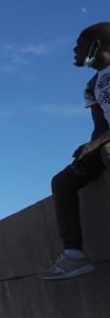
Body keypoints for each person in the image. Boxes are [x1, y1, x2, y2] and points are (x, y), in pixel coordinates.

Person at [40, 22, 110, 280]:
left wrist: (96, 144)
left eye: (79, 43)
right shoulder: (92, 85)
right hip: (104, 143)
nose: (74, 49)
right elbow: (101, 126)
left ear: (96, 44)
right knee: (62, 181)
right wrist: (90, 148)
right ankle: (73, 256)